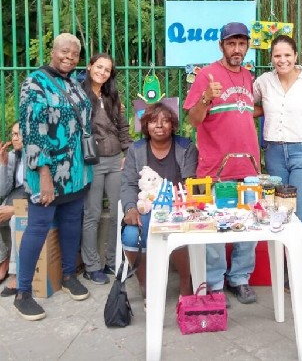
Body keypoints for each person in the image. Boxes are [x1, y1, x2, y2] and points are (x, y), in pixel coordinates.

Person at [16, 33, 93, 321]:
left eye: (75, 54)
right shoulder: (35, 83)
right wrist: (44, 174)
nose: (69, 57)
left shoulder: (72, 83)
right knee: (38, 227)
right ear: (52, 51)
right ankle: (23, 293)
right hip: (46, 172)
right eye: (64, 51)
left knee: (72, 223)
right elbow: (32, 131)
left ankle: (69, 276)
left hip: (75, 172)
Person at [183, 22, 261, 305]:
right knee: (215, 227)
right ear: (221, 46)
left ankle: (240, 278)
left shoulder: (249, 77)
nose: (236, 49)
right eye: (231, 43)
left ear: (247, 46)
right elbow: (193, 120)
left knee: (249, 227)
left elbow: (245, 111)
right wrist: (206, 98)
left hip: (249, 168)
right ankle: (215, 283)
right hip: (216, 169)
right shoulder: (206, 74)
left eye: (241, 44)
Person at [253, 35, 302, 304]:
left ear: (296, 56)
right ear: (271, 58)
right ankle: (283, 273)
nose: (282, 60)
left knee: (300, 217)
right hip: (275, 153)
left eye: (287, 55)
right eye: (277, 56)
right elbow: (248, 105)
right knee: (277, 215)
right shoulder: (263, 82)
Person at [121, 102, 197, 300]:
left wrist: (177, 206)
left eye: (165, 121)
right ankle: (145, 283)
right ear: (146, 126)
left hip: (176, 208)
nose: (160, 126)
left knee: (176, 232)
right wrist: (130, 208)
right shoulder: (136, 150)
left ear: (173, 125)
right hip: (145, 208)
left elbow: (190, 183)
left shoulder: (185, 147)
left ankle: (185, 281)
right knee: (131, 236)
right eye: (154, 121)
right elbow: (129, 184)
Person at [81, 53, 132, 285]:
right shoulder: (80, 94)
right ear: (89, 66)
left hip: (115, 160)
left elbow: (122, 127)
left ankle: (113, 261)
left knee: (117, 213)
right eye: (99, 67)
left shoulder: (112, 95)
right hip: (92, 160)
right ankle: (91, 266)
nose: (102, 72)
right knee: (92, 213)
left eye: (107, 70)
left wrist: (127, 153)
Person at [0, 122, 27, 297]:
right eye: (12, 134)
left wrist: (15, 210)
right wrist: (2, 164)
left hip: (30, 199)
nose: (14, 138)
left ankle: (16, 274)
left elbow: (37, 194)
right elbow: (2, 191)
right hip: (14, 196)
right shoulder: (11, 156)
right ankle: (3, 258)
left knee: (16, 220)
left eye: (18, 134)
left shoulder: (36, 156)